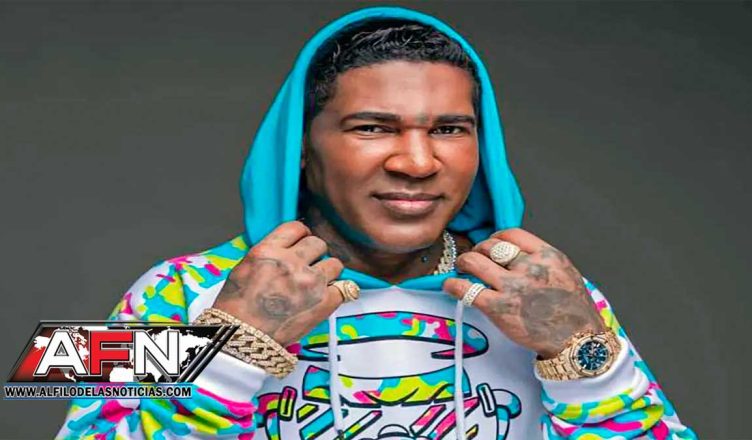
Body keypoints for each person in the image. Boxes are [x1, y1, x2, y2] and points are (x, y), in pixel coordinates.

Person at [57, 6, 696, 440]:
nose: (416, 162)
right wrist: (225, 350)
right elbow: (64, 398)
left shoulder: (545, 294)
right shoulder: (174, 288)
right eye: (372, 128)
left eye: (450, 129)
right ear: (300, 148)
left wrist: (585, 359)